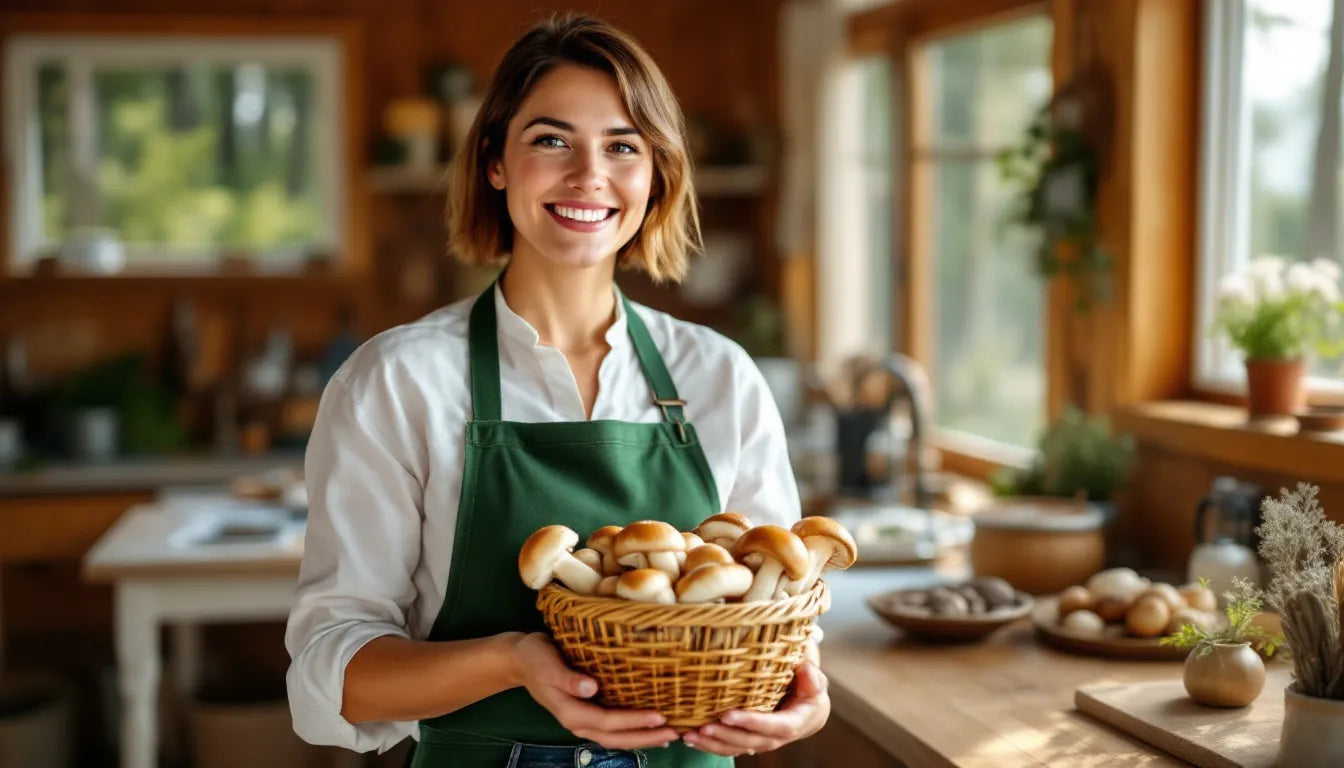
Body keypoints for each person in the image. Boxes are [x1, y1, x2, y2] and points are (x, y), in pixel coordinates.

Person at [285, 14, 829, 768]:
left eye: (622, 146)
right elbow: (330, 679)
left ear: (655, 174)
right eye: (550, 140)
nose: (588, 175)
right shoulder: (399, 382)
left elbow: (783, 627)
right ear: (495, 162)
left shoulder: (721, 378)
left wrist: (805, 703)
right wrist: (514, 660)